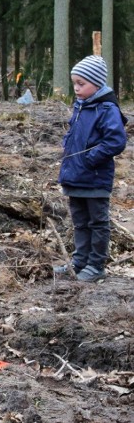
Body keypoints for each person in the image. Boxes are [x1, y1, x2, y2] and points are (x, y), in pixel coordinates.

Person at [54, 55, 128, 282]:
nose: (76, 88)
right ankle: (79, 261)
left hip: (95, 178)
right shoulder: (81, 105)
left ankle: (96, 266)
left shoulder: (106, 108)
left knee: (97, 221)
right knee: (80, 221)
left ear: (97, 83)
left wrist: (90, 159)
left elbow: (116, 141)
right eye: (74, 83)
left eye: (81, 84)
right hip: (76, 177)